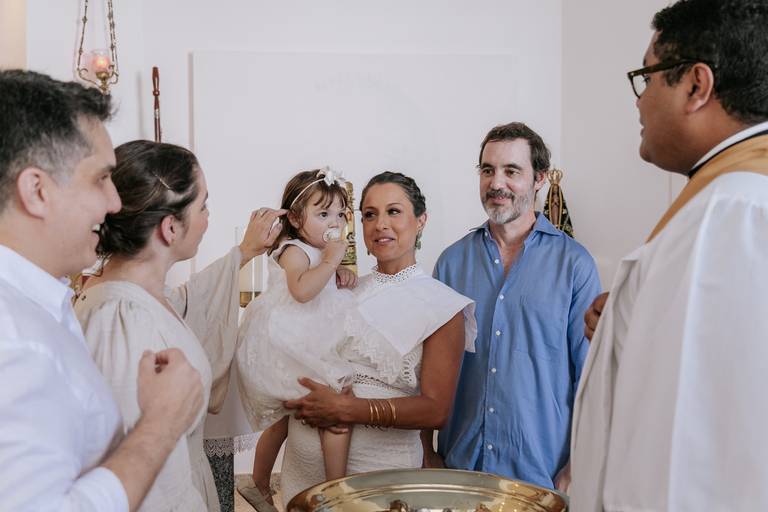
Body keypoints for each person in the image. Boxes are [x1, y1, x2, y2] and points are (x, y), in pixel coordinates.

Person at [570, 1, 768, 510]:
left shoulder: (730, 215)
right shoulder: (731, 202)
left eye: (648, 77)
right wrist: (634, 314)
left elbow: (685, 455)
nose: (639, 103)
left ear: (696, 86)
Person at [0, 69, 204, 511]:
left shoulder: (41, 306)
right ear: (37, 191)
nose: (114, 203)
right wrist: (162, 424)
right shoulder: (12, 339)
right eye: (100, 179)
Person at [73, 140, 283, 512]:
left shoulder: (146, 297)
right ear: (170, 227)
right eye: (202, 206)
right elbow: (133, 465)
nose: (207, 218)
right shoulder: (119, 320)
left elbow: (189, 302)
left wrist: (245, 253)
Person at [424, 122, 601, 490]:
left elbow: (592, 377)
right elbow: (427, 371)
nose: (496, 183)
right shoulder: (451, 263)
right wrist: (428, 452)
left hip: (541, 478)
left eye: (511, 171)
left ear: (540, 179)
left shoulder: (574, 265)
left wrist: (576, 467)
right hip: (460, 472)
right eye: (488, 170)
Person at [281, 171, 477, 504]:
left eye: (394, 211)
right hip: (301, 476)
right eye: (370, 215)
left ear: (421, 220)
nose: (380, 224)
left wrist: (348, 409)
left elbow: (436, 411)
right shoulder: (339, 287)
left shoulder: (444, 305)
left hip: (379, 480)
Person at [236, 168, 359, 511]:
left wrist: (339, 271)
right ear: (294, 218)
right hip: (290, 340)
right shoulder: (294, 250)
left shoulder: (318, 251)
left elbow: (322, 281)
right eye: (323, 214)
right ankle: (335, 491)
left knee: (283, 420)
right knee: (334, 408)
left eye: (340, 215)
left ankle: (258, 482)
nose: (334, 223)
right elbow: (302, 290)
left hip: (308, 335)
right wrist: (331, 261)